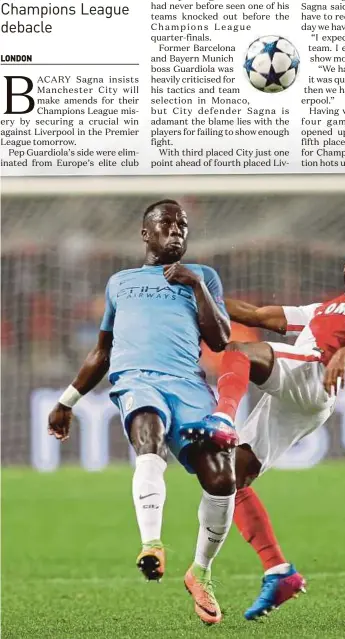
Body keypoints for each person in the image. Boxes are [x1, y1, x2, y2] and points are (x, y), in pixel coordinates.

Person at [181, 237, 345, 619]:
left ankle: (223, 417)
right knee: (229, 477)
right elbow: (256, 315)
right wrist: (197, 293)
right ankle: (279, 571)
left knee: (238, 352)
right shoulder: (326, 308)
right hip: (304, 398)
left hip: (313, 371)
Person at [47, 199, 239, 625]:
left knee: (223, 479)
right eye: (166, 224)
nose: (176, 231)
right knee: (148, 437)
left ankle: (201, 572)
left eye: (182, 225)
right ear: (145, 233)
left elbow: (221, 339)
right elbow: (102, 351)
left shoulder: (204, 276)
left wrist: (196, 286)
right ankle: (151, 544)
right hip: (138, 380)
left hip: (189, 385)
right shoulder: (120, 282)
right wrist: (67, 400)